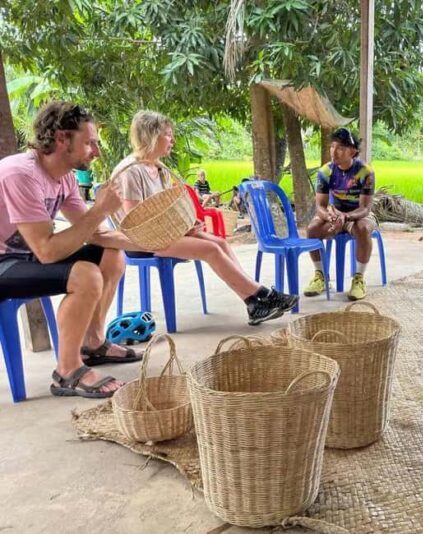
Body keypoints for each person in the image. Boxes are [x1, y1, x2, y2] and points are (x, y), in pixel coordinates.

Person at [0, 101, 144, 399]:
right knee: (85, 275)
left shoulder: (63, 175)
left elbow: (95, 233)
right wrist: (101, 209)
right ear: (62, 138)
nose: (97, 151)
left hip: (28, 256)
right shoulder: (20, 174)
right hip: (5, 262)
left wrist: (153, 241)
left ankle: (91, 343)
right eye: (90, 142)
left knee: (111, 255)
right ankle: (66, 371)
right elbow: (47, 252)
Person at [113, 110, 298, 325]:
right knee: (209, 249)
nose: (172, 139)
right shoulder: (131, 171)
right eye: (168, 134)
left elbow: (165, 210)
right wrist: (179, 230)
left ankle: (253, 304)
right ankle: (263, 294)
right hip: (141, 240)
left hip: (163, 234)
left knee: (219, 242)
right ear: (151, 136)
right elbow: (135, 220)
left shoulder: (159, 168)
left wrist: (187, 225)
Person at [303, 128, 378, 301]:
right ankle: (321, 276)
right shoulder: (325, 172)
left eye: (341, 148)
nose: (334, 152)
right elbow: (320, 206)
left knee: (364, 228)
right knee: (312, 229)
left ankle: (359, 279)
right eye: (332, 146)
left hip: (357, 216)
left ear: (353, 152)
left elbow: (365, 208)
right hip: (334, 214)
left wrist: (346, 217)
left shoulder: (365, 172)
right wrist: (331, 218)